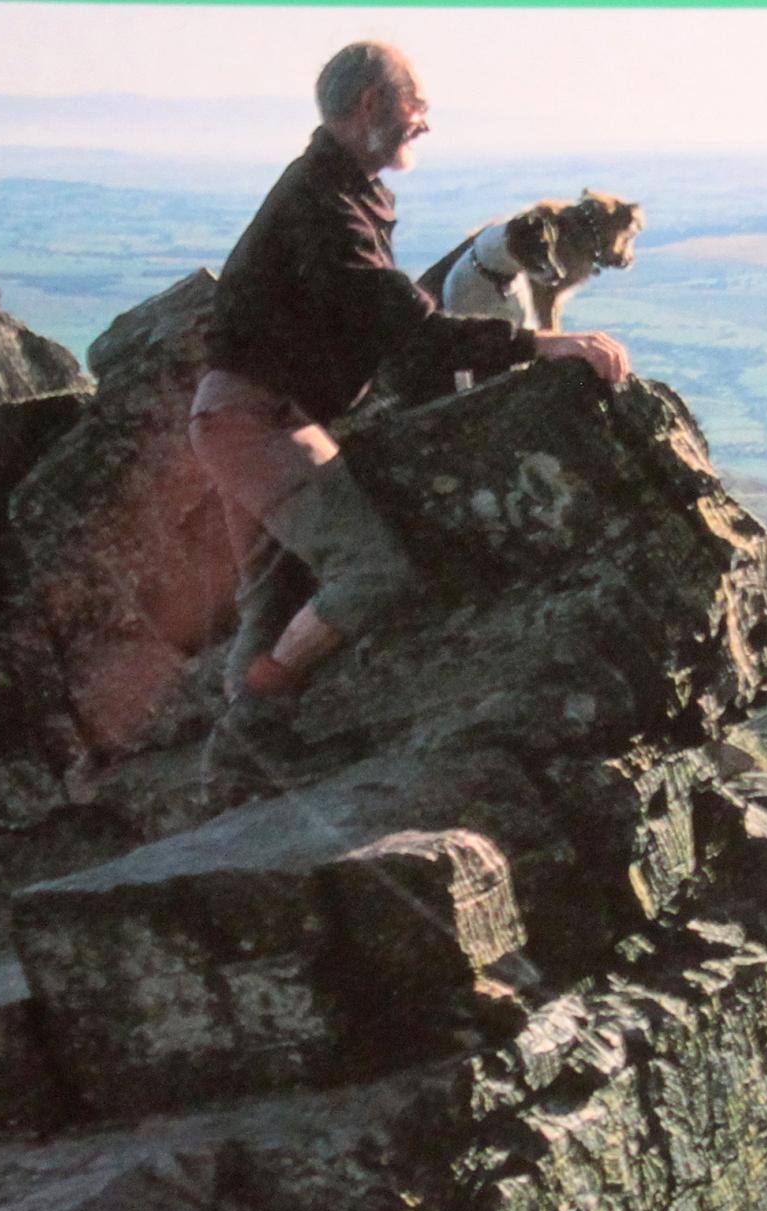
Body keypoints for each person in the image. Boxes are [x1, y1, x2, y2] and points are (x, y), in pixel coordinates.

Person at [187, 40, 629, 786]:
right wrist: (541, 345)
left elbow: (397, 327)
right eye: (414, 103)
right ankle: (250, 730)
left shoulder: (335, 189)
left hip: (244, 417)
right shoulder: (326, 207)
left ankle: (238, 761)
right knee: (371, 570)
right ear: (371, 108)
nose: (424, 119)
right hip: (258, 421)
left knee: (276, 589)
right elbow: (414, 332)